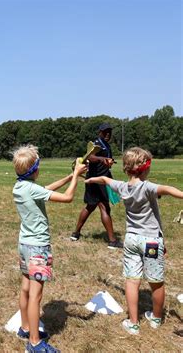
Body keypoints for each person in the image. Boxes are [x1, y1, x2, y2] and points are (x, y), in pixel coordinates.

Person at [85, 147, 183, 335]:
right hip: (152, 242)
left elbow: (105, 179)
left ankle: (133, 322)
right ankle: (155, 318)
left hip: (131, 240)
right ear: (146, 168)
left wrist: (90, 179)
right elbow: (167, 189)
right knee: (156, 281)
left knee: (131, 281)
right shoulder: (147, 187)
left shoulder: (123, 187)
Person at [12, 145, 87, 353]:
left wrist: (70, 175)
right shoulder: (31, 188)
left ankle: (25, 327)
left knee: (25, 289)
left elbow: (46, 190)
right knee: (36, 295)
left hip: (25, 245)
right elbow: (67, 197)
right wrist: (75, 179)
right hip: (38, 247)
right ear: (35, 169)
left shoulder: (20, 186)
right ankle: (35, 342)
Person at [70, 123, 123, 249]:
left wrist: (109, 161)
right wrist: (101, 159)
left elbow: (102, 160)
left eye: (109, 131)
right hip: (97, 181)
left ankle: (75, 233)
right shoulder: (96, 144)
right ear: (99, 132)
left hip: (98, 180)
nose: (108, 134)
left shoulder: (106, 145)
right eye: (105, 132)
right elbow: (90, 156)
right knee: (105, 208)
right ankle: (112, 241)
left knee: (90, 207)